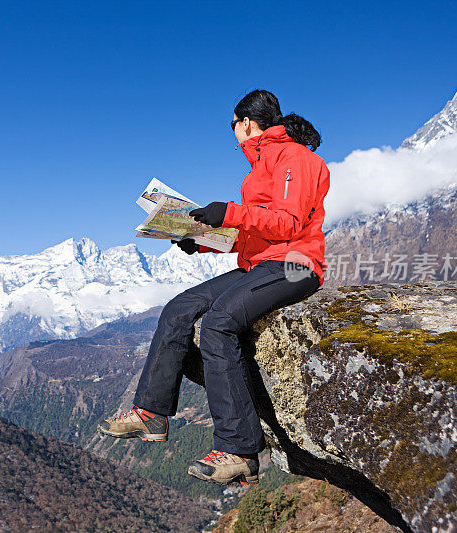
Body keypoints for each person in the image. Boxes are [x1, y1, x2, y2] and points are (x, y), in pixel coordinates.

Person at [98, 89, 330, 486]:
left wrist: (229, 212)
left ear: (247, 123)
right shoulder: (255, 173)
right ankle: (150, 414)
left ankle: (241, 450)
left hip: (296, 266)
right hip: (259, 264)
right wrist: (201, 239)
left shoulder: (298, 160)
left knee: (220, 321)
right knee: (179, 308)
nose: (234, 134)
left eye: (234, 126)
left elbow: (289, 224)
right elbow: (254, 235)